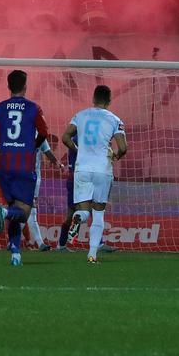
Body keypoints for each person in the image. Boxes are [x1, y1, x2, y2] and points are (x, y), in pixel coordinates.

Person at [0, 69, 65, 266]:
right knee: (22, 212)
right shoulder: (33, 108)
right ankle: (5, 214)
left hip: (3, 163)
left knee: (13, 207)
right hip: (23, 163)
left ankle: (15, 253)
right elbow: (44, 132)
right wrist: (32, 146)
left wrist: (7, 137)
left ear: (8, 87)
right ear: (25, 87)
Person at [64, 84, 127, 264]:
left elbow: (65, 137)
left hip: (82, 168)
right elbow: (123, 147)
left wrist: (77, 149)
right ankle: (92, 255)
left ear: (93, 99)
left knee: (84, 211)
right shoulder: (115, 119)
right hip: (102, 170)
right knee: (98, 214)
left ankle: (79, 218)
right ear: (109, 101)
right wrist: (115, 156)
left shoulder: (80, 115)